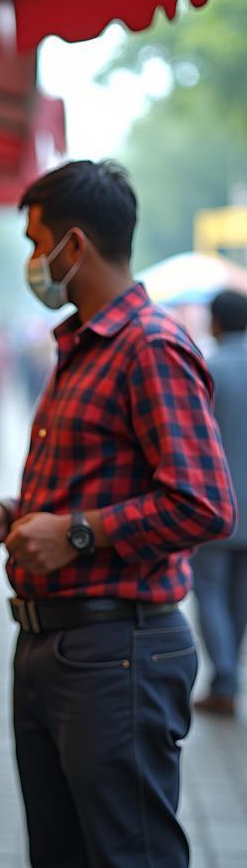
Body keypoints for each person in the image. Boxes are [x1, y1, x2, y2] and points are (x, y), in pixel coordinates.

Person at [0, 160, 235, 868]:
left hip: (118, 654)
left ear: (72, 244)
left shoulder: (151, 346)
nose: (35, 263)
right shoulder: (83, 344)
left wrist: (77, 533)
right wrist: (9, 514)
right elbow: (92, 487)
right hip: (55, 651)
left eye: (36, 244)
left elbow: (204, 504)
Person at [192, 290, 247, 716]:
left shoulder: (209, 369)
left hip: (217, 504)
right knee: (239, 595)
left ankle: (224, 679)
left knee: (209, 591)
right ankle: (230, 675)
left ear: (214, 322)